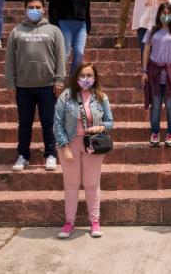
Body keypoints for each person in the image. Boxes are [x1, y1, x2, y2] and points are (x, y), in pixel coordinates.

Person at [5, 0, 66, 172]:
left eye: (38, 7)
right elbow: (10, 59)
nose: (35, 10)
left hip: (48, 85)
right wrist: (10, 82)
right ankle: (23, 155)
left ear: (44, 9)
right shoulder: (16, 32)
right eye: (31, 7)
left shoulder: (54, 31)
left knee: (48, 122)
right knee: (25, 123)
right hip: (23, 86)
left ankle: (51, 154)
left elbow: (61, 57)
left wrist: (59, 80)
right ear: (25, 10)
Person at [53, 62, 114, 239]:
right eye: (82, 75)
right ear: (76, 77)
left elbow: (110, 122)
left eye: (89, 75)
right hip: (70, 143)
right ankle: (69, 222)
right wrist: (64, 147)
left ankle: (94, 222)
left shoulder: (101, 97)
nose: (86, 79)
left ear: (95, 78)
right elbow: (57, 123)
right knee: (71, 184)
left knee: (92, 184)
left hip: (92, 144)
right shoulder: (66, 96)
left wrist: (100, 128)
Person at [141, 3, 171, 147]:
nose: (165, 15)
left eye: (168, 12)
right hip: (154, 72)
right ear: (159, 13)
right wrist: (144, 71)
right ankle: (155, 132)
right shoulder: (151, 31)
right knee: (155, 105)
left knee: (170, 105)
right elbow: (146, 52)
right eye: (163, 12)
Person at [49, 0, 91, 77]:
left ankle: (73, 81)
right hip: (65, 24)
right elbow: (53, 6)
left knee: (79, 54)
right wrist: (53, 24)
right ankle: (58, 78)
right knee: (65, 54)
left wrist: (88, 27)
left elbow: (86, 9)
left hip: (81, 26)